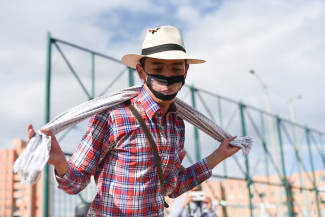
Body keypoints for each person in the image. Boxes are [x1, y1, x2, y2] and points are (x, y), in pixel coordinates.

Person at [27, 26, 240, 216]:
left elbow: (172, 187)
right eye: (157, 69)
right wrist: (60, 163)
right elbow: (74, 184)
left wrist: (219, 155)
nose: (167, 77)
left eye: (176, 69)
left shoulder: (177, 124)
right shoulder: (113, 116)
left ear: (186, 71)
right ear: (141, 72)